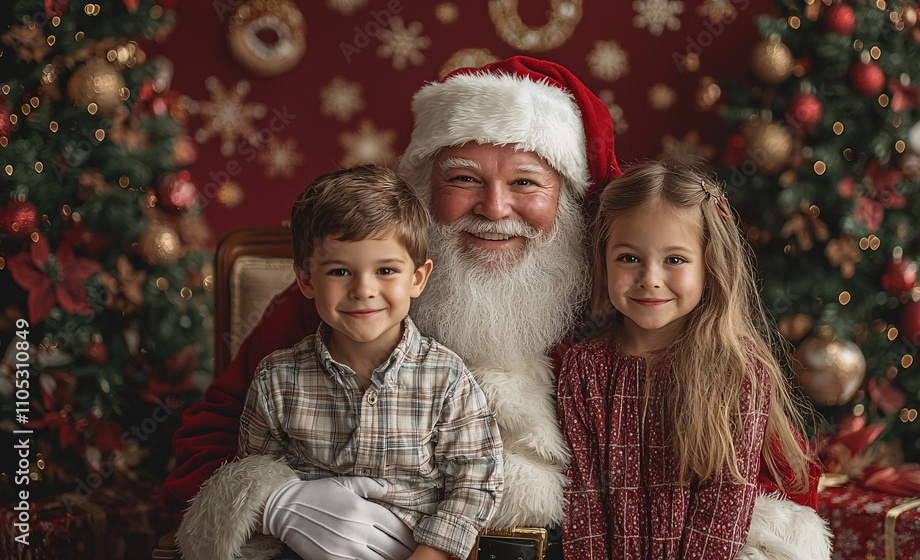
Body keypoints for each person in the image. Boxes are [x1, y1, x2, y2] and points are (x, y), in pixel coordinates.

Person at [167, 56, 827, 560]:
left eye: (526, 183)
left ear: (568, 198)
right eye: (463, 179)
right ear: (424, 189)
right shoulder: (356, 289)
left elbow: (773, 475)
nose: (494, 208)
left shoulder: (632, 304)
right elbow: (211, 432)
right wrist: (276, 500)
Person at [177, 165, 504, 560]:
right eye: (340, 271)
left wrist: (431, 553)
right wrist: (278, 509)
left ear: (418, 278)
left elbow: (476, 479)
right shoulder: (276, 379)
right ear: (306, 280)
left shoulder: (447, 378)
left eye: (386, 270)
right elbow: (258, 470)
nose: (363, 289)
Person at [557, 161, 831, 560]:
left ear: (709, 265)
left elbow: (723, 508)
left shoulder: (737, 371)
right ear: (603, 258)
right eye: (629, 258)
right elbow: (583, 501)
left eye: (674, 260)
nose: (650, 278)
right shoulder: (584, 368)